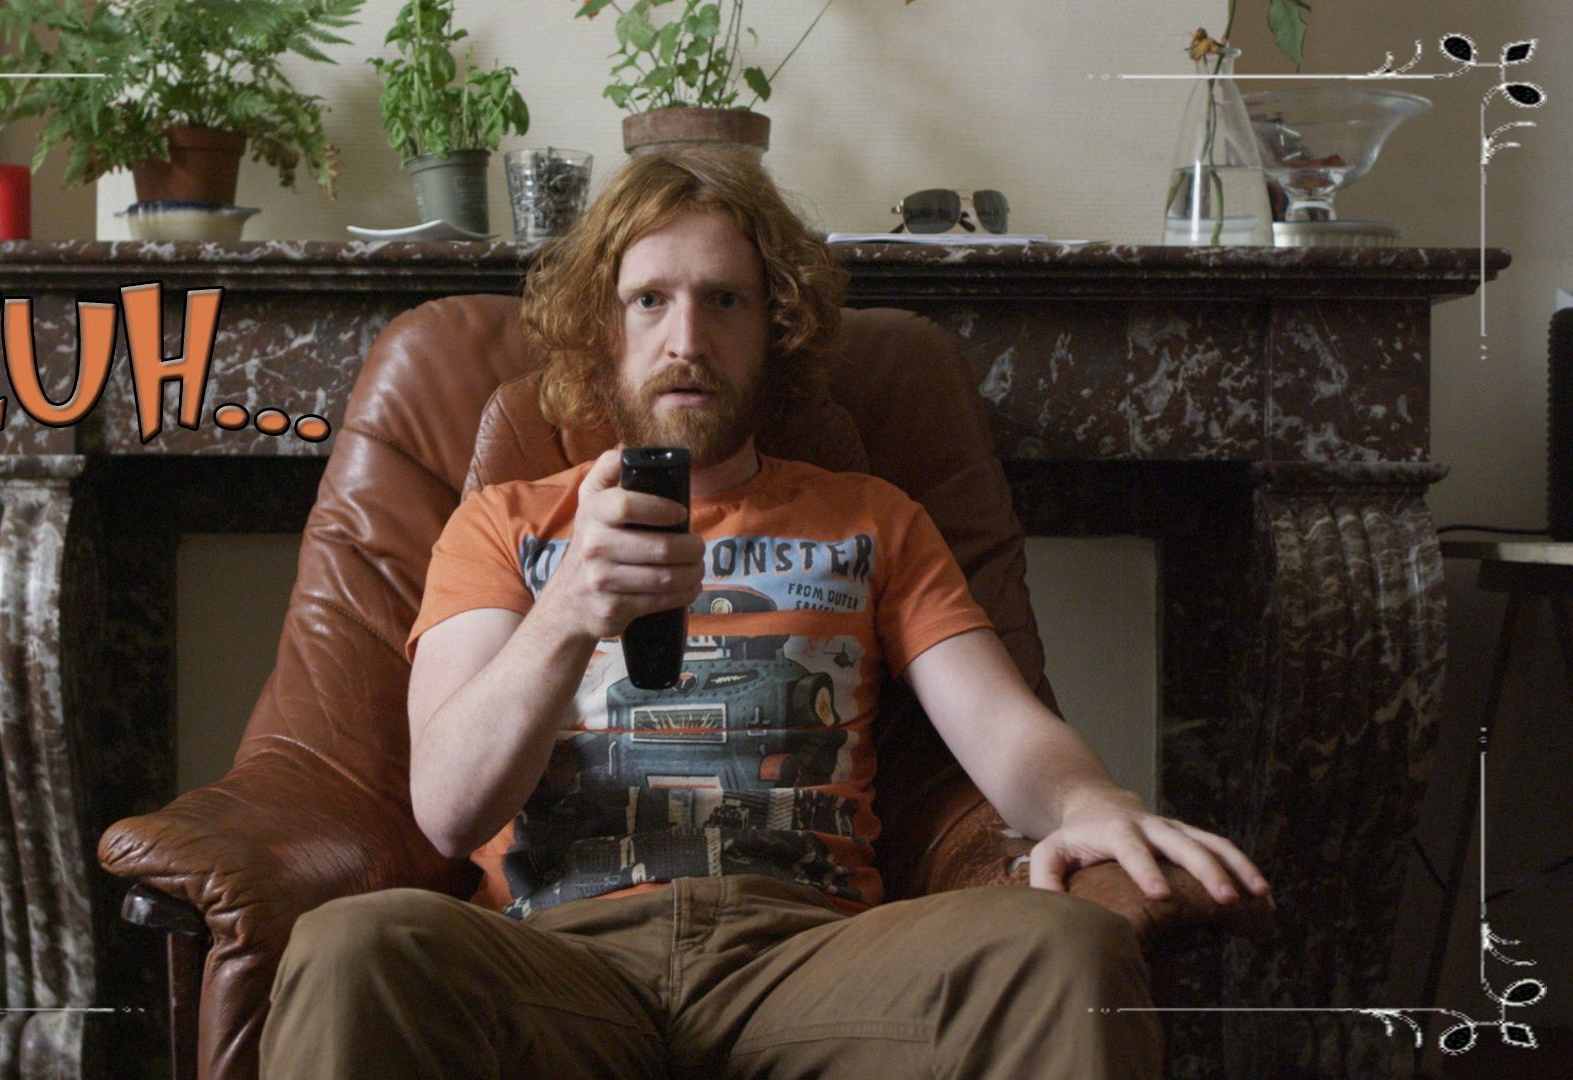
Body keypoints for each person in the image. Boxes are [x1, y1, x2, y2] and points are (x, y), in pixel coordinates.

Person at [261, 146, 1272, 1079]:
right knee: (352, 945)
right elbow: (448, 808)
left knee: (1067, 947)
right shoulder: (503, 521)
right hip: (553, 963)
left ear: (774, 326)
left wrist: (1093, 804)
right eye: (649, 300)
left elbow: (1003, 726)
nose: (686, 340)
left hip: (811, 957)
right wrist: (568, 610)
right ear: (604, 328)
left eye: (725, 301)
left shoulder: (872, 517)